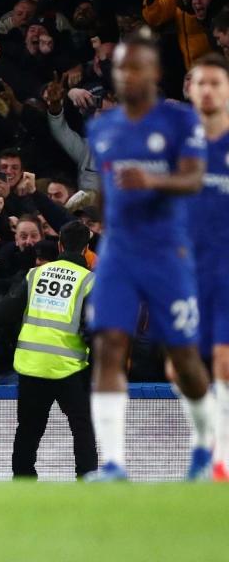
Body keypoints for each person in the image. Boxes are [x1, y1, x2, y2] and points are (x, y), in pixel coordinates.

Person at [86, 34, 213, 481]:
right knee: (108, 346)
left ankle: (205, 448)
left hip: (166, 252)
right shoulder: (102, 128)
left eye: (137, 67)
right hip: (119, 252)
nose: (128, 76)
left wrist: (153, 182)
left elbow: (195, 177)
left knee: (182, 356)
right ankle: (114, 463)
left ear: (155, 72)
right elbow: (105, 192)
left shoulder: (179, 121)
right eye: (121, 68)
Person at [0, 220, 98, 479]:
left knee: (28, 428)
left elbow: (2, 314)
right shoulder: (89, 281)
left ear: (60, 244)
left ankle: (23, 482)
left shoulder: (34, 274)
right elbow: (95, 331)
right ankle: (87, 480)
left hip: (32, 364)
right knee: (82, 428)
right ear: (86, 249)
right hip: (69, 367)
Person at [185, 54, 229, 480]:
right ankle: (202, 446)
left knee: (223, 357)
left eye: (217, 82)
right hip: (184, 271)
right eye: (201, 83)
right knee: (180, 365)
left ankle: (221, 458)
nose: (209, 90)